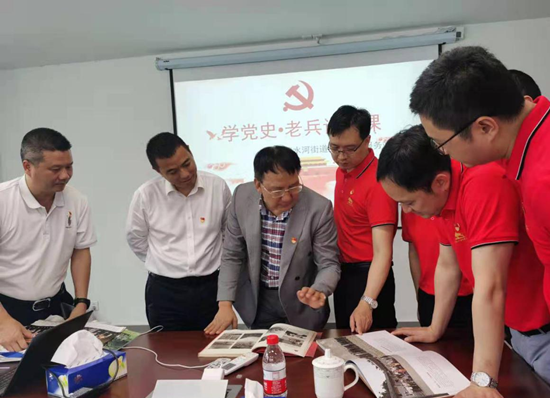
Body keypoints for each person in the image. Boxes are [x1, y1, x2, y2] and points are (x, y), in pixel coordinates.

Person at [409, 46, 550, 398]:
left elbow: (491, 286)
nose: (443, 155)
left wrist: (483, 381)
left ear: (485, 127)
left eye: (442, 143)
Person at [377, 124, 550, 398]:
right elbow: (448, 265)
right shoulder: (442, 200)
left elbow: (490, 287)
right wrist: (434, 328)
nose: (407, 211)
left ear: (440, 182)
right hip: (520, 332)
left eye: (410, 202)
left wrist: (482, 381)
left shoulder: (482, 184)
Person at [205, 146, 340, 333]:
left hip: (301, 302)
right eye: (277, 191)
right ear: (258, 185)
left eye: (293, 187)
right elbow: (232, 255)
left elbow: (329, 263)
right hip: (259, 300)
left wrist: (319, 289)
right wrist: (225, 304)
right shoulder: (242, 197)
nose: (287, 197)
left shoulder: (319, 208)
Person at [0, 128, 96, 351]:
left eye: (69, 166)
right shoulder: (4, 201)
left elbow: (80, 250)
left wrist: (81, 302)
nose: (65, 175)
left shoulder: (77, 200)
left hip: (54, 306)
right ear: (27, 167)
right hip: (7, 309)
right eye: (55, 169)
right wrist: (3, 321)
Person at [126, 132, 231, 331]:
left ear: (190, 151)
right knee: (166, 348)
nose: (184, 174)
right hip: (165, 292)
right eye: (172, 171)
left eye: (187, 163)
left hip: (211, 288)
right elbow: (136, 238)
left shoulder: (217, 186)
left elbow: (229, 233)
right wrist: (164, 261)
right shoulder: (146, 195)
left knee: (216, 346)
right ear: (158, 171)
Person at [327, 106, 398, 334]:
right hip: (345, 273)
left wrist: (368, 301)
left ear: (367, 141)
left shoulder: (378, 182)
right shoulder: (343, 171)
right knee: (345, 341)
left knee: (376, 345)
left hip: (370, 278)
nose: (341, 157)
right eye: (334, 148)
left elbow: (383, 252)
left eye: (349, 149)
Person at [401, 211, 473, 328]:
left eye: (410, 203)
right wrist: (419, 296)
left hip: (469, 294)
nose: (406, 208)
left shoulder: (459, 209)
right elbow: (414, 251)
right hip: (428, 295)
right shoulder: (410, 211)